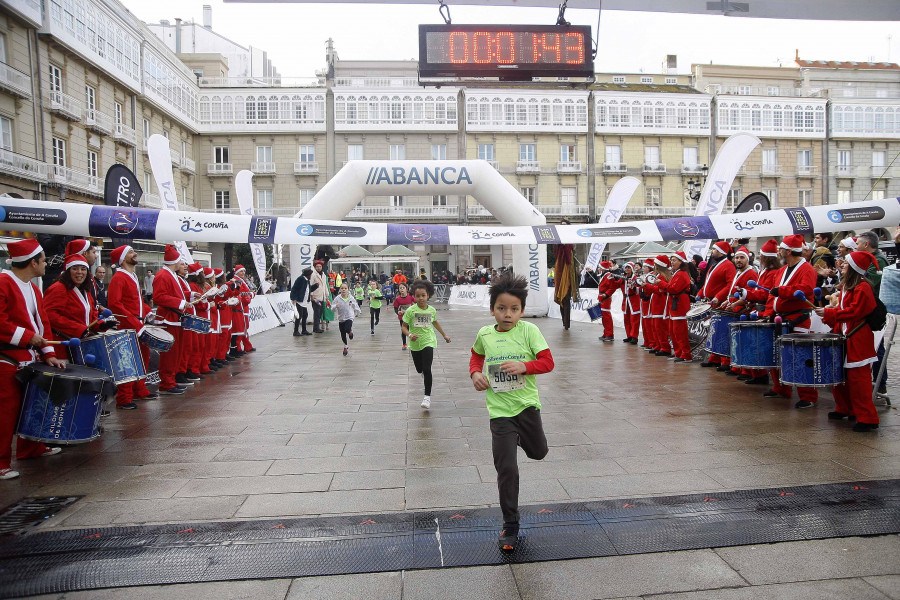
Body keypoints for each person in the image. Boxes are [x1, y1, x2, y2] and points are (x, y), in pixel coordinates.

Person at [469, 271, 554, 552]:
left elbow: (547, 362)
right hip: (499, 411)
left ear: (522, 311)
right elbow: (476, 354)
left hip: (527, 407)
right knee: (506, 468)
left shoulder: (529, 331)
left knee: (539, 452)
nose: (508, 314)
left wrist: (524, 366)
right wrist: (475, 373)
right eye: (502, 308)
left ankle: (521, 437)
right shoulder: (484, 333)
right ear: (492, 309)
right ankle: (510, 523)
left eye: (514, 309)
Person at [0, 239, 65, 480]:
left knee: (31, 406)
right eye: (44, 260)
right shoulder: (4, 282)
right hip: (6, 357)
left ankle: (31, 448)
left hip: (28, 356)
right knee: (5, 413)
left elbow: (43, 324)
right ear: (32, 262)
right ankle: (1, 463)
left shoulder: (33, 287)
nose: (46, 264)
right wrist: (29, 338)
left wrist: (49, 354)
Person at [815, 251, 880, 432]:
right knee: (839, 377)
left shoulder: (863, 287)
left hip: (857, 338)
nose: (842, 264)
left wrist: (830, 314)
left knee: (859, 381)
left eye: (846, 263)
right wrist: (829, 316)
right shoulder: (846, 286)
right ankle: (845, 408)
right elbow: (843, 312)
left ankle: (868, 417)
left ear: (854, 268)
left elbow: (854, 312)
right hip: (844, 335)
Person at [761, 234, 819, 408]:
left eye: (781, 249)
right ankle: (781, 388)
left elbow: (805, 289)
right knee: (776, 354)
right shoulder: (782, 270)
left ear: (788, 251)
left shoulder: (807, 269)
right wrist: (767, 313)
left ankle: (808, 395)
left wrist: (783, 291)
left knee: (799, 357)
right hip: (779, 318)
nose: (779, 251)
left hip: (797, 318)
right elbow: (773, 294)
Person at [107, 245, 157, 409]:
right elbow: (115, 304)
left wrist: (148, 312)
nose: (134, 254)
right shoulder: (119, 277)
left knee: (143, 357)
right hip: (128, 326)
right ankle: (124, 397)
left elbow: (138, 301)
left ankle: (139, 388)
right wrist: (135, 322)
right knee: (127, 361)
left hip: (138, 323)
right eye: (130, 252)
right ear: (122, 259)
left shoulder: (133, 276)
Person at [401, 279, 450, 409]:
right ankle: (422, 372)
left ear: (428, 295)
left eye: (423, 295)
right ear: (414, 296)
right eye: (418, 296)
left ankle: (427, 397)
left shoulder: (432, 310)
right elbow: (404, 327)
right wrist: (410, 335)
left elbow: (435, 322)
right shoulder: (411, 311)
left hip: (428, 341)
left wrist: (444, 335)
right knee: (419, 369)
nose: (421, 298)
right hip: (415, 344)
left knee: (427, 369)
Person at [43, 254, 100, 361]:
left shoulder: (85, 290)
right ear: (68, 271)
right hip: (63, 348)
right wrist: (78, 329)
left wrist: (102, 324)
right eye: (75, 269)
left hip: (80, 347)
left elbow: (92, 314)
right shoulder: (58, 288)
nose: (79, 272)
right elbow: (49, 315)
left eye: (83, 269)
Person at [152, 245, 189, 395]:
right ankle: (166, 383)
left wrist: (190, 296)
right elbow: (159, 297)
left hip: (174, 318)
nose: (183, 263)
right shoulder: (163, 275)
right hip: (168, 319)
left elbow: (174, 293)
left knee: (176, 353)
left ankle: (171, 380)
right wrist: (180, 303)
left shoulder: (170, 274)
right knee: (169, 354)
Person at [716, 246, 758, 375]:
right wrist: (728, 301)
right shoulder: (739, 272)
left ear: (748, 259)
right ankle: (734, 366)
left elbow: (751, 294)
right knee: (733, 341)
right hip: (735, 309)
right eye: (737, 257)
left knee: (741, 341)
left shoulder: (751, 274)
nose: (738, 260)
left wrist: (736, 304)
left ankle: (742, 369)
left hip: (743, 312)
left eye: (742, 257)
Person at [698, 241, 736, 368]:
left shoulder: (728, 265)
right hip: (711, 302)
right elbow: (707, 282)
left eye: (714, 249)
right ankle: (714, 357)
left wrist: (718, 297)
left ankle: (724, 360)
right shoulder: (714, 265)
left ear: (721, 251)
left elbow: (730, 284)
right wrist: (700, 293)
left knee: (721, 332)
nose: (712, 251)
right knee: (713, 332)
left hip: (720, 304)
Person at [659, 252, 693, 362]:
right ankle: (679, 352)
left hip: (679, 304)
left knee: (680, 331)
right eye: (671, 260)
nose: (672, 262)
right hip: (674, 304)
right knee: (674, 331)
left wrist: (661, 284)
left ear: (681, 261)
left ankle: (685, 354)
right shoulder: (677, 273)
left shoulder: (682, 274)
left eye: (674, 260)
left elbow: (674, 288)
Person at [553, 218, 579, 331]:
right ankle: (564, 322)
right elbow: (555, 251)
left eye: (565, 225)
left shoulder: (570, 239)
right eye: (561, 225)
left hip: (568, 271)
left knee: (566, 298)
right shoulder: (557, 240)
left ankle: (567, 323)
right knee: (561, 298)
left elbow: (570, 252)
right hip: (560, 269)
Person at [331, 283, 361, 357]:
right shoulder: (337, 298)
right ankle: (345, 346)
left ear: (348, 289)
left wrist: (358, 312)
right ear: (340, 289)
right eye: (342, 288)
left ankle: (350, 332)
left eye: (345, 288)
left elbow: (355, 306)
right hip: (341, 318)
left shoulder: (351, 298)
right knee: (342, 334)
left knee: (347, 328)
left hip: (349, 316)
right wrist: (335, 306)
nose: (343, 290)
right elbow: (332, 308)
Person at [232, 265, 255, 353]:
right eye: (241, 271)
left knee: (244, 328)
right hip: (241, 307)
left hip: (244, 307)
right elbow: (242, 294)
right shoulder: (237, 281)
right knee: (241, 328)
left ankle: (247, 345)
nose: (243, 273)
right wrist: (251, 295)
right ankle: (238, 347)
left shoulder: (241, 280)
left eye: (244, 271)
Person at [290, 268, 316, 337]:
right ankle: (296, 331)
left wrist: (316, 286)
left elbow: (309, 289)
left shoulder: (307, 280)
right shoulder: (301, 279)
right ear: (308, 274)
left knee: (305, 315)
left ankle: (304, 330)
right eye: (310, 274)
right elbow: (294, 289)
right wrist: (294, 298)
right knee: (299, 316)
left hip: (304, 302)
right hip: (299, 301)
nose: (311, 276)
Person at [596, 262, 617, 342]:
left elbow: (612, 287)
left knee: (607, 316)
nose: (599, 269)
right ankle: (606, 333)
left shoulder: (608, 276)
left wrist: (606, 294)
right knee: (604, 316)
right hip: (602, 297)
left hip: (605, 298)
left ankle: (609, 334)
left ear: (603, 268)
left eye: (600, 267)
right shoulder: (604, 276)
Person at [620, 262, 641, 344]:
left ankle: (634, 337)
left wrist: (632, 287)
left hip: (633, 300)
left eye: (629, 268)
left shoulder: (635, 278)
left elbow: (638, 289)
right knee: (627, 319)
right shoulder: (623, 278)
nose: (627, 269)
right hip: (626, 300)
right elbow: (616, 285)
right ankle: (629, 335)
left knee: (634, 319)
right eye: (626, 268)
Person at [393, 282, 414, 350]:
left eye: (403, 288)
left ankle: (412, 343)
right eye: (400, 288)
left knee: (411, 330)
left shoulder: (410, 297)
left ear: (406, 289)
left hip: (411, 317)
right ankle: (404, 344)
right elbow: (395, 307)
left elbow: (416, 303)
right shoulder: (398, 299)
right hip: (402, 317)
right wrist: (398, 312)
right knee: (403, 330)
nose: (402, 289)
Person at [310, 260, 328, 334]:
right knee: (316, 313)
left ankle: (317, 327)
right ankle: (316, 328)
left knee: (320, 312)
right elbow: (310, 285)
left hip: (322, 296)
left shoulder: (324, 275)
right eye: (317, 266)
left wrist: (327, 295)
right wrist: (311, 295)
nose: (319, 268)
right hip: (316, 297)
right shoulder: (313, 275)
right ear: (315, 267)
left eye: (320, 266)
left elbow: (325, 286)